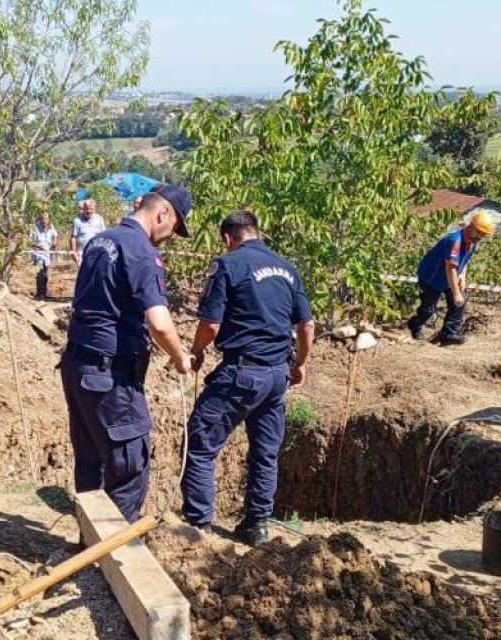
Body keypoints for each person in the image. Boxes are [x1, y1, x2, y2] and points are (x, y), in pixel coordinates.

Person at [60, 183, 195, 522]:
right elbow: (160, 324)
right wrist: (181, 359)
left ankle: (88, 549)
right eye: (173, 227)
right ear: (163, 213)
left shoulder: (99, 241)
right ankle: (115, 559)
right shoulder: (141, 251)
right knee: (129, 464)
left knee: (91, 462)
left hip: (78, 364)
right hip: (110, 375)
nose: (168, 236)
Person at [181, 210, 315, 545]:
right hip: (276, 376)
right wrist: (300, 363)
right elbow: (307, 325)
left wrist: (195, 353)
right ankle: (256, 525)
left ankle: (199, 528)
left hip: (241, 373)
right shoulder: (288, 268)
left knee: (199, 444)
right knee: (265, 452)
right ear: (257, 233)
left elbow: (211, 325)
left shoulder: (228, 264)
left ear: (228, 238)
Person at [405, 208, 497, 346]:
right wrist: (456, 293)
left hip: (450, 277)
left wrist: (462, 276)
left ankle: (449, 334)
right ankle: (415, 324)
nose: (479, 236)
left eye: (483, 234)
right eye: (478, 231)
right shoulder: (455, 240)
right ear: (470, 225)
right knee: (428, 309)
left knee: (460, 302)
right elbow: (450, 268)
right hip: (431, 277)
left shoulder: (472, 242)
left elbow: (464, 260)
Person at [29, 210, 58, 299]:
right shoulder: (34, 228)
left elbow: (56, 235)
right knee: (39, 273)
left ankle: (44, 293)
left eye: (46, 219)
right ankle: (39, 293)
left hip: (48, 255)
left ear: (49, 219)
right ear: (39, 219)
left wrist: (54, 243)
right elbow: (29, 241)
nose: (44, 220)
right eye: (42, 218)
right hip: (36, 254)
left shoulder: (51, 227)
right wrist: (38, 246)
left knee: (46, 275)